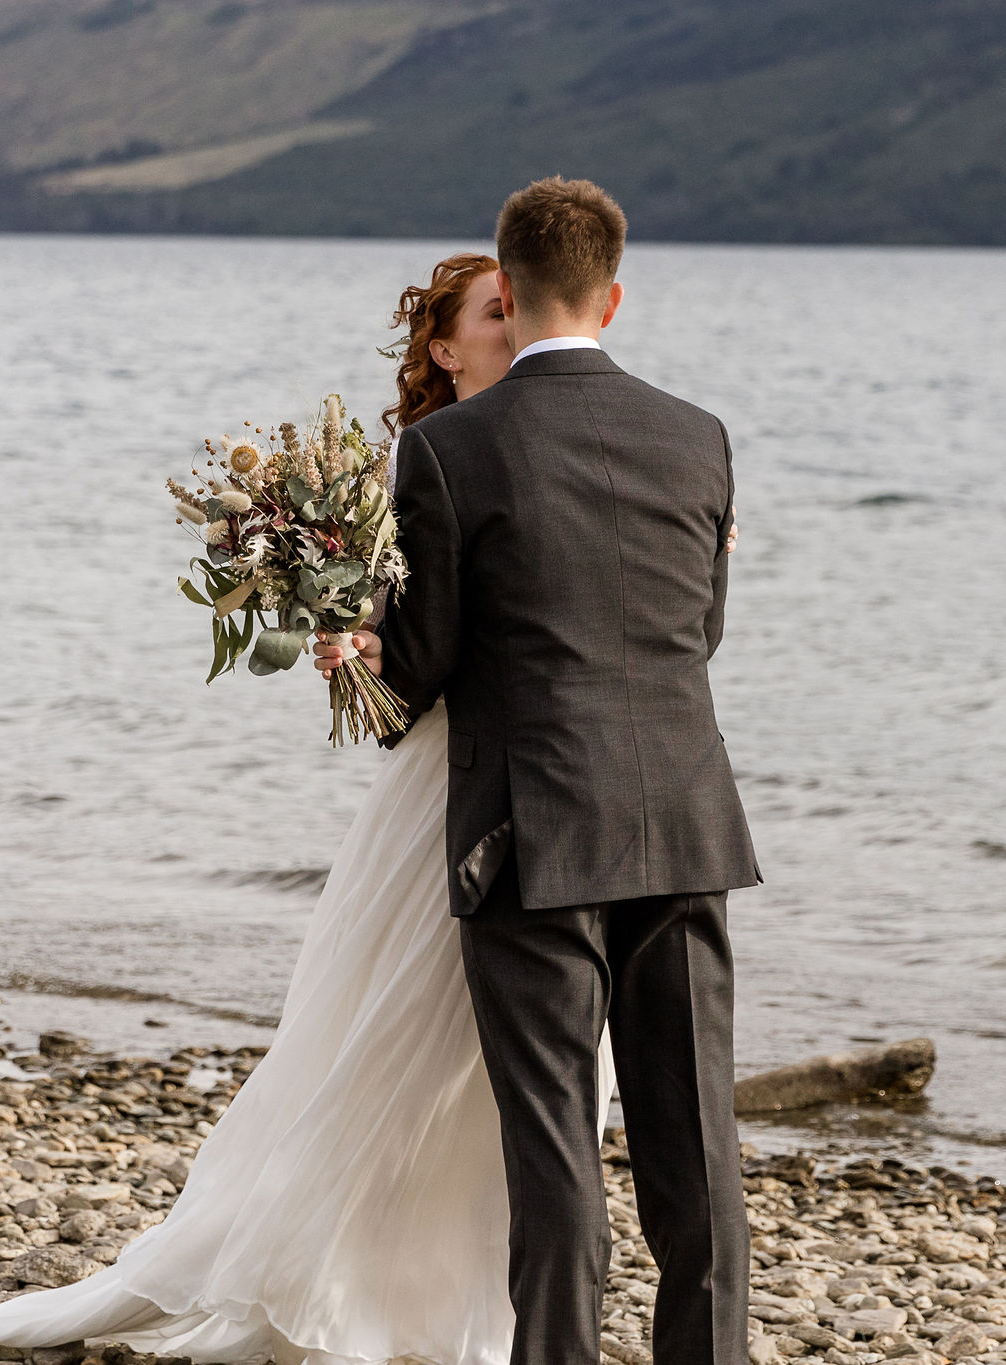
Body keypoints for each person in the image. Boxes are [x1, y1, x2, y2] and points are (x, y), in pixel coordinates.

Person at [0, 253, 605, 1365]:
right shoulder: (420, 460)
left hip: (562, 797)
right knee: (396, 1052)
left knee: (498, 1076)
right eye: (492, 314)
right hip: (452, 798)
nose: (516, 324)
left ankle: (481, 1312)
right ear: (444, 349)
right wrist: (349, 650)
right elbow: (409, 688)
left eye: (519, 307)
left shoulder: (568, 441)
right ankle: (347, 1295)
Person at [316, 177, 759, 1365]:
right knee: (695, 1145)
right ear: (612, 297)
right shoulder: (699, 437)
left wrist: (356, 651)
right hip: (683, 823)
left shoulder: (448, 452)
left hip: (532, 839)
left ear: (504, 291)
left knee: (554, 1145)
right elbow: (695, 638)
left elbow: (418, 676)